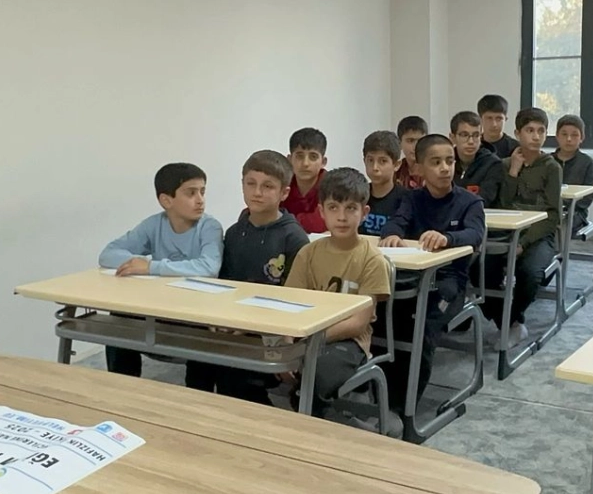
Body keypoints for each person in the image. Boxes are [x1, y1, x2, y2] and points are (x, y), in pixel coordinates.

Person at [185, 150, 309, 400]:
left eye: (267, 186)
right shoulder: (234, 232)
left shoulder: (294, 238)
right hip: (233, 323)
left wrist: (248, 324)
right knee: (198, 360)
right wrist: (219, 319)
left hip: (269, 329)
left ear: (284, 193)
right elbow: (224, 284)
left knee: (234, 376)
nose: (257, 192)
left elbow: (294, 299)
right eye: (250, 184)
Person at [379, 134, 486, 407]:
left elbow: (475, 234)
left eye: (449, 161)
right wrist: (392, 234)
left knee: (422, 327)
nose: (444, 168)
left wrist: (447, 238)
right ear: (419, 168)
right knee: (383, 318)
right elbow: (396, 221)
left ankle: (405, 406)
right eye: (436, 162)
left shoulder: (469, 202)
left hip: (448, 282)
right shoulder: (412, 199)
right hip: (413, 279)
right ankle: (380, 394)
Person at [284, 168, 393, 424]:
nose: (341, 217)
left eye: (351, 208)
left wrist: (309, 340)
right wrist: (287, 343)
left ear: (364, 213)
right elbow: (289, 304)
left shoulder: (372, 260)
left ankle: (311, 425)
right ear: (322, 212)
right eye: (333, 208)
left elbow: (358, 323)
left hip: (349, 341)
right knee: (258, 361)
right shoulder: (308, 253)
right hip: (305, 334)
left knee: (317, 370)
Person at [97, 161, 223, 377]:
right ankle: (122, 384)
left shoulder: (209, 227)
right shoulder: (154, 225)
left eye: (202, 192)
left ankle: (196, 390)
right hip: (160, 305)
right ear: (166, 200)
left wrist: (151, 267)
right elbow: (108, 254)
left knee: (205, 343)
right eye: (191, 193)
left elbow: (208, 267)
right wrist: (138, 263)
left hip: (197, 310)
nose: (200, 200)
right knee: (119, 318)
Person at [494, 106, 563, 341]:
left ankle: (511, 319)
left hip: (538, 235)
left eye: (541, 131)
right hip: (508, 232)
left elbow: (553, 215)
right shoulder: (505, 164)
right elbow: (502, 206)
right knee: (481, 269)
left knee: (531, 273)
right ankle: (508, 322)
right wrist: (513, 173)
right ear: (517, 133)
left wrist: (524, 242)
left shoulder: (552, 167)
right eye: (530, 130)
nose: (536, 136)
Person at [553, 113, 593, 233]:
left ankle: (559, 246)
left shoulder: (587, 163)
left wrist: (567, 206)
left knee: (562, 221)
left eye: (574, 135)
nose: (569, 139)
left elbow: (588, 196)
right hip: (550, 208)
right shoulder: (548, 161)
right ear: (557, 136)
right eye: (564, 134)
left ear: (581, 138)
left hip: (576, 212)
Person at [450, 109, 504, 207]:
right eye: (464, 135)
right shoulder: (446, 162)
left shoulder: (492, 163)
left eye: (476, 135)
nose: (471, 141)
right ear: (452, 137)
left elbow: (484, 199)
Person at [360, 130, 408, 237]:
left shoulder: (407, 199)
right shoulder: (357, 195)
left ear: (397, 165)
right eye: (370, 160)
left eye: (383, 161)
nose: (375, 167)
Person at [282, 126, 328, 232]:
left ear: (323, 162)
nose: (305, 163)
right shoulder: (283, 183)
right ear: (289, 159)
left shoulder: (332, 185)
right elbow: (264, 214)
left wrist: (283, 221)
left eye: (313, 157)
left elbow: (319, 224)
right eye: (299, 156)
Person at [394, 115, 429, 190]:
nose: (416, 146)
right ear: (399, 143)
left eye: (420, 140)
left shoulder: (434, 170)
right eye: (410, 141)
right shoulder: (395, 172)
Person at [478, 93, 518, 158]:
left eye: (499, 119)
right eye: (489, 118)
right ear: (480, 119)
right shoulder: (473, 146)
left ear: (505, 119)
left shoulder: (515, 148)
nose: (494, 124)